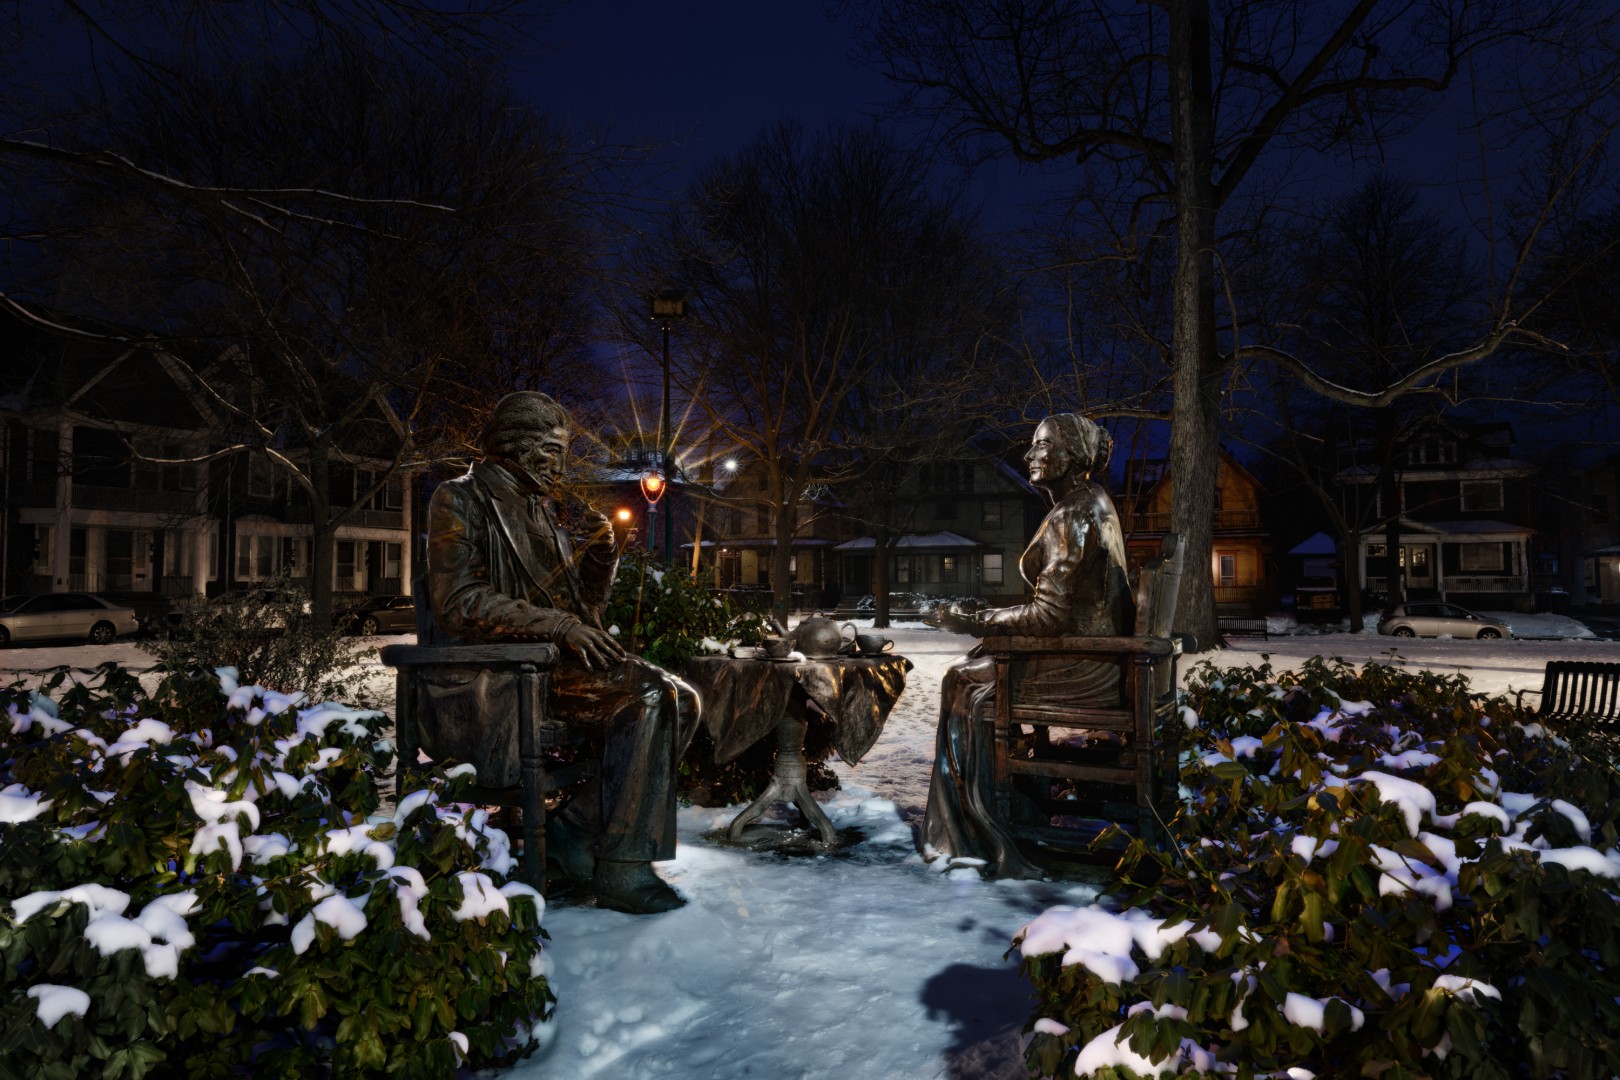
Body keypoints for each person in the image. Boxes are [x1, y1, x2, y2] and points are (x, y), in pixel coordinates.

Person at [426, 391, 699, 913]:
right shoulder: (460, 498)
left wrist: (602, 557)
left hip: (553, 666)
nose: (560, 465)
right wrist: (559, 625)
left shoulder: (543, 513)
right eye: (552, 451)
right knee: (648, 698)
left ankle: (574, 830)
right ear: (515, 446)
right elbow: (457, 602)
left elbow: (582, 608)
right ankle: (621, 868)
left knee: (682, 699)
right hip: (503, 672)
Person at [920, 413, 1133, 878]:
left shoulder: (1074, 513)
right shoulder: (1091, 502)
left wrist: (976, 621)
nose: (1029, 454)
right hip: (1099, 655)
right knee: (973, 668)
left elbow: (1049, 616)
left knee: (961, 682)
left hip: (1085, 664)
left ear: (1073, 456)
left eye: (1042, 445)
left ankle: (974, 829)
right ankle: (1003, 808)